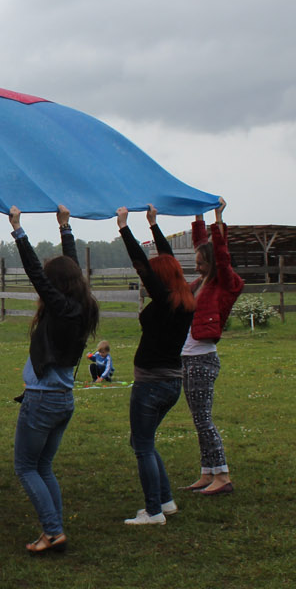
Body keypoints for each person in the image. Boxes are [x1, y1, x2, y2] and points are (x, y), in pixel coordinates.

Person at [8, 205, 99, 554]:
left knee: (25, 467)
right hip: (62, 400)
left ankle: (52, 530)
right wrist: (65, 228)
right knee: (43, 465)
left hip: (43, 400)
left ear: (56, 285)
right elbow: (70, 268)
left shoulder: (61, 309)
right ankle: (55, 529)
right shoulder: (81, 306)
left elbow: (36, 273)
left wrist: (19, 230)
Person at [118, 205, 196, 526]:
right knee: (144, 442)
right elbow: (168, 261)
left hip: (150, 385)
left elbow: (143, 266)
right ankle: (165, 501)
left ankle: (153, 512)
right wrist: (153, 224)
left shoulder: (164, 303)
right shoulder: (183, 300)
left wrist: (124, 228)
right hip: (171, 384)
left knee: (142, 447)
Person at [182, 198, 244, 495]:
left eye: (201, 263)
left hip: (202, 359)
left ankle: (222, 475)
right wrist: (198, 216)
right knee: (198, 419)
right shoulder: (201, 283)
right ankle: (207, 473)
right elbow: (202, 245)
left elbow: (220, 253)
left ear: (213, 264)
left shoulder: (224, 284)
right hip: (188, 358)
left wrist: (218, 219)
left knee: (204, 420)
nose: (197, 267)